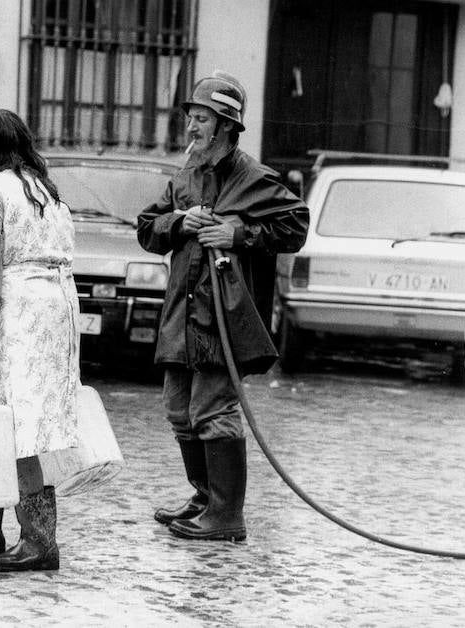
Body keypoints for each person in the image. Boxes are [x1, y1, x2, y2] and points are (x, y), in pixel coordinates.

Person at [137, 71, 309, 541]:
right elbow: (147, 228)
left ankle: (226, 516)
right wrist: (179, 223)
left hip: (222, 319)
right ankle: (204, 498)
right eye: (191, 117)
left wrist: (240, 234)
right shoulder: (185, 176)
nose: (191, 127)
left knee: (213, 410)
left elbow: (295, 227)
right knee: (178, 408)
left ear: (226, 125)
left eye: (201, 118)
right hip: (181, 315)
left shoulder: (255, 178)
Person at [0, 109, 80, 572]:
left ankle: (39, 541)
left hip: (19, 314)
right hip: (57, 309)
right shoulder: (46, 192)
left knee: (12, 427)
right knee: (4, 417)